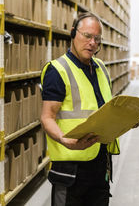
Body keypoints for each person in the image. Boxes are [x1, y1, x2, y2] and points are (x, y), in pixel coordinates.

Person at [40, 12, 120, 206]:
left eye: (97, 39)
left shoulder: (101, 67)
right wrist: (63, 139)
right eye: (87, 36)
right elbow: (47, 117)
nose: (92, 43)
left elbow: (103, 109)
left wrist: (126, 119)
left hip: (100, 163)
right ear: (73, 33)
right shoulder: (58, 70)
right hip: (71, 168)